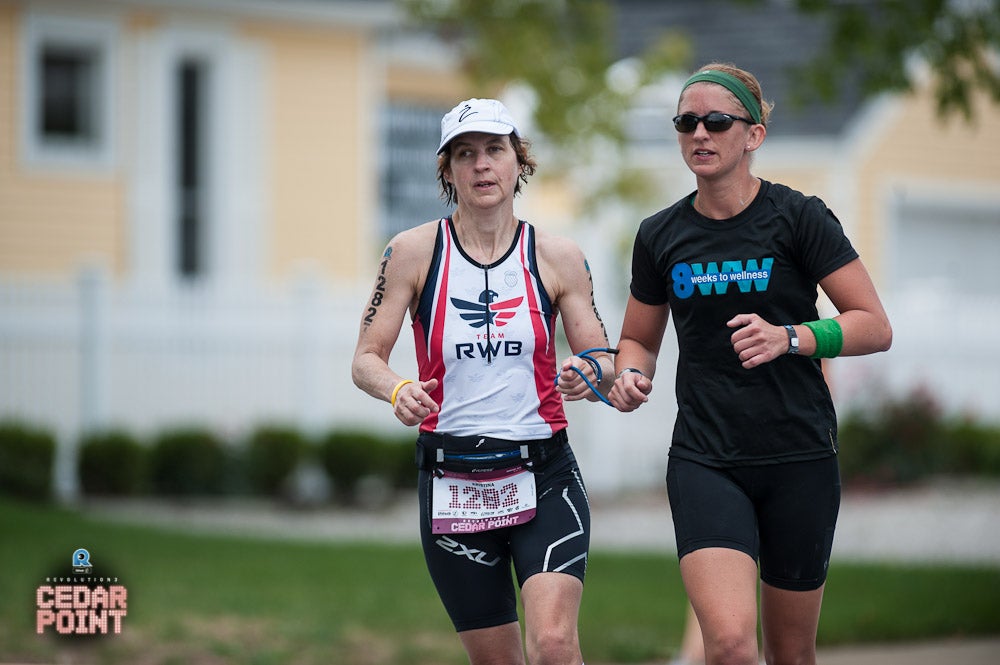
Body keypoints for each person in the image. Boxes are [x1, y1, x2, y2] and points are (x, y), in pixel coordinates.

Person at [609, 63, 892, 665]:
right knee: (732, 643)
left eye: (717, 121)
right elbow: (637, 338)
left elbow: (873, 324)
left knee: (790, 652)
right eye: (687, 122)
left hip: (800, 455)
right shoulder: (659, 235)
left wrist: (790, 337)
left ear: (754, 135)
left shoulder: (798, 217)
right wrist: (631, 374)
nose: (700, 135)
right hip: (707, 457)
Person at [351, 97, 614, 665]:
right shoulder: (412, 253)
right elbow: (366, 359)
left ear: (519, 161)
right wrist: (397, 389)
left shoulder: (559, 257)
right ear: (447, 170)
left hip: (543, 472)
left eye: (495, 150)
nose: (481, 165)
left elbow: (602, 355)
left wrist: (587, 371)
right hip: (451, 482)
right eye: (465, 154)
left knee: (553, 644)